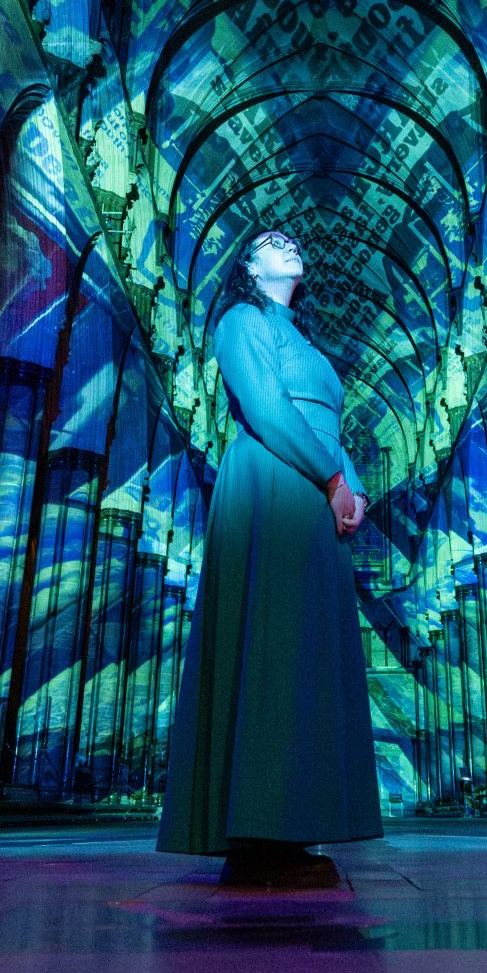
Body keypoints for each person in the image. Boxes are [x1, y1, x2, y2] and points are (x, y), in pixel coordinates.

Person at [157, 228, 383, 888]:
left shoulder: (306, 340)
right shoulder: (239, 321)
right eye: (270, 241)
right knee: (271, 644)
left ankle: (293, 817)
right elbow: (267, 408)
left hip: (313, 491)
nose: (287, 243)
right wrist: (332, 479)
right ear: (250, 267)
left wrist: (354, 485)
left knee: (305, 653)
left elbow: (329, 423)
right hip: (272, 479)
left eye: (292, 240)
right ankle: (255, 827)